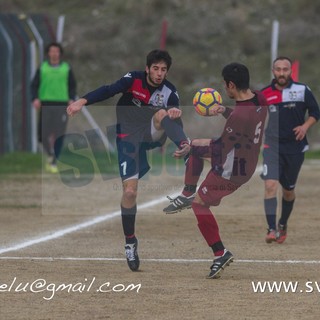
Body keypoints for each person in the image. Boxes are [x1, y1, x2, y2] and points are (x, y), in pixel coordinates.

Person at [67, 49, 190, 272]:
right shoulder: (133, 79)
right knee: (130, 193)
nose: (159, 73)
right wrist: (82, 101)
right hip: (127, 138)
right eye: (155, 68)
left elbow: (175, 119)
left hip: (152, 133)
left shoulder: (170, 91)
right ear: (147, 69)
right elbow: (109, 90)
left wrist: (176, 121)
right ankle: (130, 242)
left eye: (163, 70)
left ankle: (186, 150)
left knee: (164, 114)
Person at [164, 63, 268, 279]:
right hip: (247, 159)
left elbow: (221, 147)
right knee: (196, 151)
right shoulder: (259, 98)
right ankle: (186, 193)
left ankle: (220, 253)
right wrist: (224, 111)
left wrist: (190, 144)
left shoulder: (239, 115)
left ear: (231, 85)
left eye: (225, 85)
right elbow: (245, 124)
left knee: (199, 204)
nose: (225, 89)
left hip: (233, 169)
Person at [260, 56, 320, 244]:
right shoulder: (265, 93)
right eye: (278, 69)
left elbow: (315, 112)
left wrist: (305, 126)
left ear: (290, 71)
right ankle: (271, 229)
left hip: (295, 148)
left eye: (285, 69)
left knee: (288, 191)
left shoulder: (302, 90)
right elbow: (252, 116)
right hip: (272, 145)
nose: (281, 73)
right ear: (273, 71)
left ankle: (282, 224)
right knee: (270, 185)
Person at [31, 42, 77, 173]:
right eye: (52, 51)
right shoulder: (43, 67)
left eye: (57, 51)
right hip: (46, 104)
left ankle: (54, 162)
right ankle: (50, 153)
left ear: (60, 53)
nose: (54, 53)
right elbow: (34, 85)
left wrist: (72, 98)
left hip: (62, 104)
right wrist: (35, 98)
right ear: (48, 53)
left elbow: (72, 85)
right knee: (42, 135)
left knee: (59, 134)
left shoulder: (66, 68)